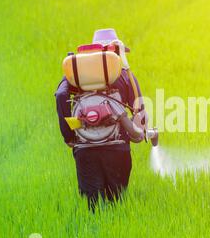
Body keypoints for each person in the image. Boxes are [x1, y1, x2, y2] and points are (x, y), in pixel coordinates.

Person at [55, 29, 146, 211]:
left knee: (93, 208)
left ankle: (94, 234)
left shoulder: (77, 74)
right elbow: (139, 109)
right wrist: (140, 131)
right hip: (117, 147)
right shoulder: (124, 74)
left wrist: (69, 136)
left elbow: (60, 95)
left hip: (85, 149)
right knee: (116, 205)